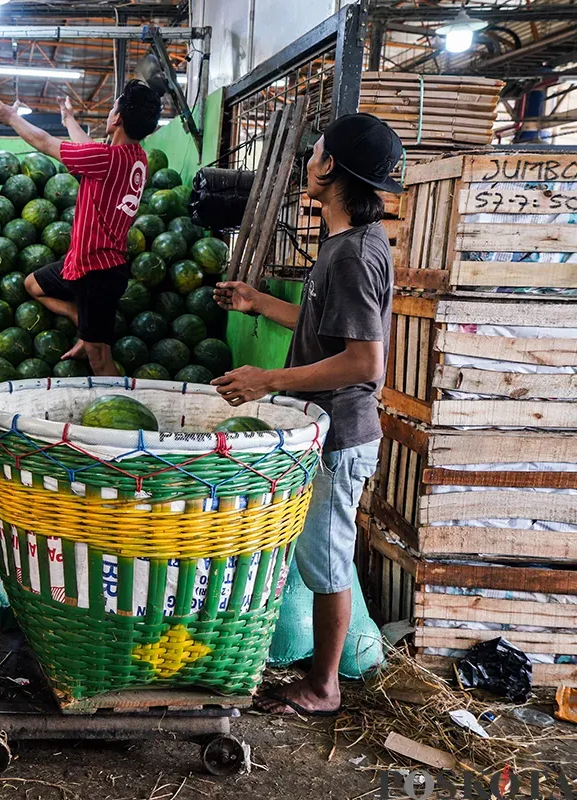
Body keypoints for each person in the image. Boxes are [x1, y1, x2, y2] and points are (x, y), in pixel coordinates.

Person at [211, 113, 403, 716]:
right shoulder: (347, 245)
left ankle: (324, 688)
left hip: (340, 436)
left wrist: (268, 380)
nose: (308, 160)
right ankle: (318, 678)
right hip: (325, 432)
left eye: (315, 150)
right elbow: (329, 331)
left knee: (327, 561)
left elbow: (364, 362)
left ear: (329, 168)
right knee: (324, 555)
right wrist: (260, 302)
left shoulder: (352, 254)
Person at [0, 82, 162, 376]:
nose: (110, 112)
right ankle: (82, 320)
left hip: (97, 273)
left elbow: (44, 142)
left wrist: (11, 117)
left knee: (100, 360)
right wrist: (68, 119)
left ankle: (122, 413)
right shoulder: (135, 157)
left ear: (116, 119)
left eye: (113, 107)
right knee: (33, 285)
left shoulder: (106, 159)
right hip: (87, 265)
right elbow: (86, 149)